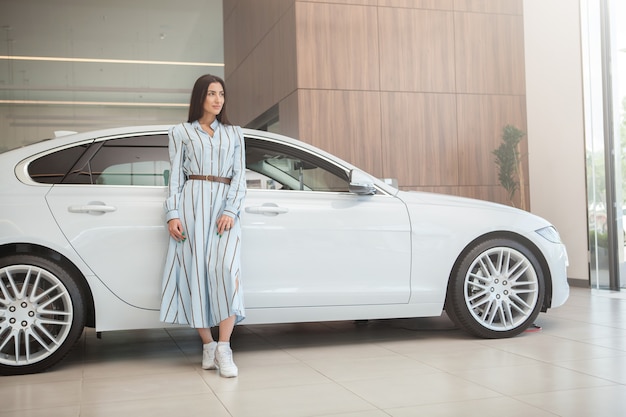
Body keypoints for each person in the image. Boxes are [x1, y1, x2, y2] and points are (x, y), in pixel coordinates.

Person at [160, 74, 246, 377]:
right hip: (192, 205)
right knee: (195, 275)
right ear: (200, 97)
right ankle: (208, 344)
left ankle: (225, 347)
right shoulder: (181, 132)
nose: (218, 99)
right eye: (211, 93)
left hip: (224, 209)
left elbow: (239, 177)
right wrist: (173, 213)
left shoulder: (235, 134)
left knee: (225, 270)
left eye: (221, 94)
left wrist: (231, 210)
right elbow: (174, 178)